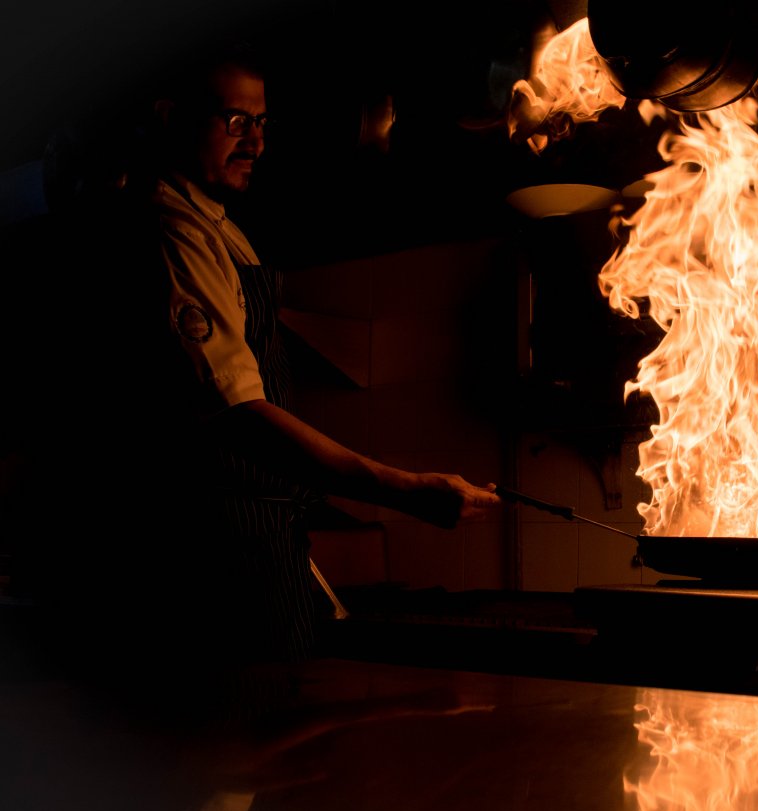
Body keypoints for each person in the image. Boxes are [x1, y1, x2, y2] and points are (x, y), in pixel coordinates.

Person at [21, 40, 501, 726]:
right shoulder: (171, 231)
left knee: (275, 754)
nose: (256, 143)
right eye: (236, 121)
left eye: (263, 123)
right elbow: (239, 414)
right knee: (238, 752)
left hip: (260, 543)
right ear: (171, 118)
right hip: (212, 558)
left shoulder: (219, 228)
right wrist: (406, 489)